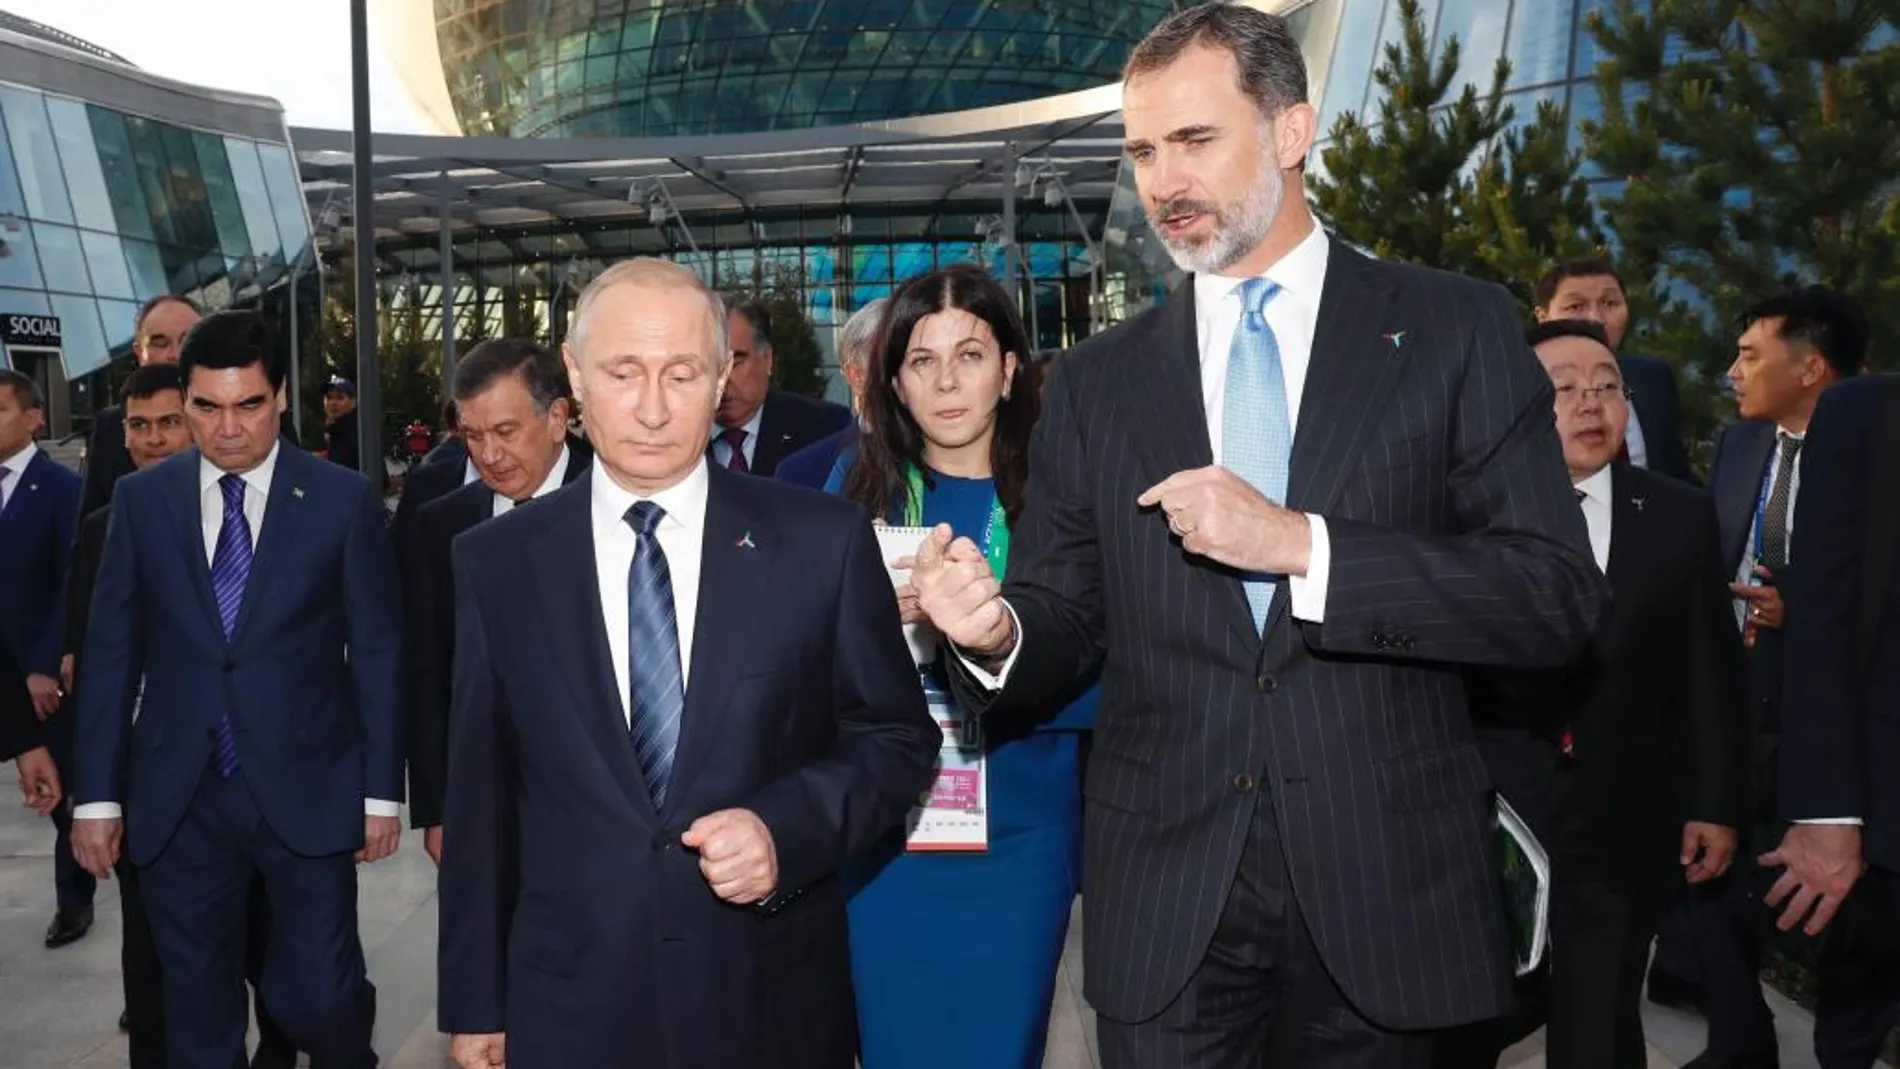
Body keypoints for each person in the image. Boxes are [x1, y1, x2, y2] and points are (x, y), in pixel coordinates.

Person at [909, 7, 1603, 1066]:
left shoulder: (1451, 329)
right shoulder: (1097, 381)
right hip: (1166, 899)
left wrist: (1305, 548)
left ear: (1291, 131)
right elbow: (1064, 614)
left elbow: (1549, 597)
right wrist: (993, 630)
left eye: (1194, 140)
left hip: (1387, 891)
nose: (1161, 181)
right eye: (1141, 150)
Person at [437, 257, 938, 1069]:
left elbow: (895, 738)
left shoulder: (819, 541)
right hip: (570, 998)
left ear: (720, 381)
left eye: (682, 373)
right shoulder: (497, 563)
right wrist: (474, 998)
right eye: (624, 372)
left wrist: (786, 826)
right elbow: (481, 797)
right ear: (574, 377)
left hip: (766, 997)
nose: (653, 406)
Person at [70, 310, 402, 1069]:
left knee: (317, 994)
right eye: (208, 407)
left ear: (281, 396)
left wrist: (380, 793)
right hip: (180, 793)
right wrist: (96, 797)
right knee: (196, 1012)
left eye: (248, 404)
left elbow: (379, 648)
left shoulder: (341, 498)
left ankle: (348, 1032)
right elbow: (109, 653)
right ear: (183, 401)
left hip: (308, 782)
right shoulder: (141, 504)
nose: (228, 429)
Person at [1448, 320, 1749, 1069]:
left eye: (1608, 385)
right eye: (1565, 388)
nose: (1592, 402)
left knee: (1601, 1010)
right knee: (1468, 1012)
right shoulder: (1463, 511)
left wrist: (1715, 802)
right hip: (1495, 805)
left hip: (1624, 808)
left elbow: (1709, 669)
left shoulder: (1677, 513)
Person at [838, 265, 1094, 1069]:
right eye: (921, 360)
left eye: (972, 354)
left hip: (1019, 832)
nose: (947, 381)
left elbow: (1109, 665)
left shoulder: (1066, 501)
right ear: (893, 381)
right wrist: (871, 628)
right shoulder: (841, 494)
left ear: (1010, 369)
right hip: (887, 838)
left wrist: (984, 642)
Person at [405, 338, 592, 863]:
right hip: (481, 798)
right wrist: (437, 809)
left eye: (506, 432)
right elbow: (428, 671)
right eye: (473, 436)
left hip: (603, 802)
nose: (489, 455)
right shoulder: (441, 523)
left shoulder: (617, 501)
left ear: (558, 418)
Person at [1765, 369, 1900, 1069]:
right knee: (1855, 1021)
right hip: (1884, 816)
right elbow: (1822, 618)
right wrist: (1827, 812)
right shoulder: (1868, 417)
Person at [0, 368, 86, 948]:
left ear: (34, 417)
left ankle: (73, 902)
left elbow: (69, 581)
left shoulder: (61, 489)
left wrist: (42, 662)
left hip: (35, 675)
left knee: (61, 794)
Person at [1531, 259, 1695, 483]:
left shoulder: (1652, 377)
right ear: (1542, 316)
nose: (1596, 319)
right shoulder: (1517, 383)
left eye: (1609, 303)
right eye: (1576, 307)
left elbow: (1676, 472)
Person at [79, 295, 202, 517]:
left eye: (188, 341)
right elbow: (90, 532)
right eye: (159, 342)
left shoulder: (250, 418)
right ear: (139, 354)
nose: (175, 354)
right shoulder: (110, 425)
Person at [711, 298, 854, 476]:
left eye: (735, 362)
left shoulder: (825, 428)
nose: (722, 380)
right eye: (709, 365)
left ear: (768, 359)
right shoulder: (675, 437)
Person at [777, 296, 886, 490]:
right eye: (893, 362)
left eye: (920, 361)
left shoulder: (952, 457)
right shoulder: (802, 474)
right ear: (857, 376)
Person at [322, 377, 362, 472]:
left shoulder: (358, 432)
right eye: (328, 397)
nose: (333, 403)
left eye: (340, 397)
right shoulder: (333, 430)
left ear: (353, 402)